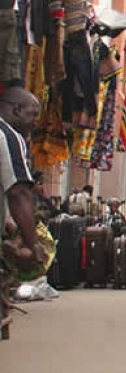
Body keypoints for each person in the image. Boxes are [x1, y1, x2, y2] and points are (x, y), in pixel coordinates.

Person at [0, 87, 44, 272]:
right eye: (32, 114)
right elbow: (18, 193)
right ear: (17, 110)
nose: (35, 122)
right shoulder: (8, 136)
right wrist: (33, 245)